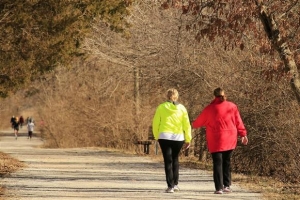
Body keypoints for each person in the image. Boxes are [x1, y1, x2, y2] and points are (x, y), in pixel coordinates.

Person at [192, 87, 248, 194]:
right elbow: (238, 122)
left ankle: (219, 188)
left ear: (214, 95)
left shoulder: (209, 108)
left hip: (216, 139)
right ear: (224, 94)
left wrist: (191, 125)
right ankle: (226, 185)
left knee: (217, 163)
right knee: (227, 162)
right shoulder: (232, 106)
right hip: (230, 137)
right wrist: (243, 134)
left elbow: (199, 122)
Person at [152, 88, 192, 193]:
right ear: (177, 96)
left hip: (164, 136)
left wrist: (156, 136)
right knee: (175, 159)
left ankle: (170, 186)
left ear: (167, 96)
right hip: (178, 137)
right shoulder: (182, 108)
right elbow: (186, 125)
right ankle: (176, 184)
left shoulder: (161, 107)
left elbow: (156, 123)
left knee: (167, 160)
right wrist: (188, 138)